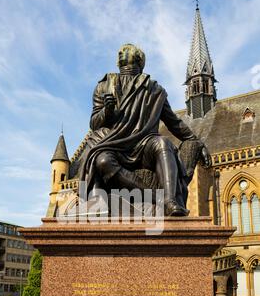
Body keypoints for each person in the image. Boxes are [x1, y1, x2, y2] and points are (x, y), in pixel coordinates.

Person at [78, 43, 212, 216]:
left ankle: (170, 201)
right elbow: (94, 123)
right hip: (114, 144)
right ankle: (156, 197)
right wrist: (106, 111)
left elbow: (174, 122)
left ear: (140, 64)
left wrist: (196, 141)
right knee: (102, 161)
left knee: (162, 143)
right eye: (124, 60)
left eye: (131, 61)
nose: (127, 63)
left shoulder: (154, 89)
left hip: (144, 144)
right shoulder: (103, 87)